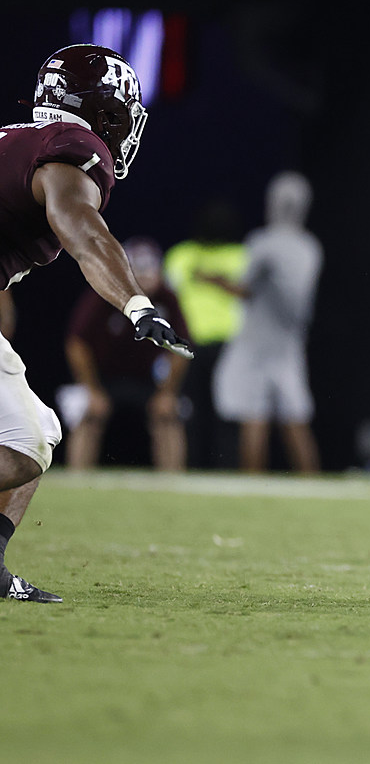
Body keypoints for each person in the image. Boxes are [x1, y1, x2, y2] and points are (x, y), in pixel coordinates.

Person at [0, 44, 192, 603]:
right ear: (105, 115)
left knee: (39, 428)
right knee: (26, 445)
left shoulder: (18, 140)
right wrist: (136, 303)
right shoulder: (74, 148)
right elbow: (80, 226)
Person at [208, 171, 323, 474]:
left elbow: (245, 289)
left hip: (257, 342)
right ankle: (312, 484)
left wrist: (214, 280)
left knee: (254, 414)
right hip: (289, 343)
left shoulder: (263, 243)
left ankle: (252, 483)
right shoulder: (310, 248)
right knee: (294, 417)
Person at [63, 237, 189, 470]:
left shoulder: (166, 297)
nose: (144, 277)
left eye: (149, 270)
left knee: (168, 414)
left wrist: (168, 391)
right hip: (102, 378)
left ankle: (173, 484)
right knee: (88, 413)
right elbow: (77, 344)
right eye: (138, 270)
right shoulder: (103, 293)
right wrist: (91, 389)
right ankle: (77, 479)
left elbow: (180, 348)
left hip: (147, 380)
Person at [162, 200, 247, 470]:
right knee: (191, 410)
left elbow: (250, 293)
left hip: (230, 346)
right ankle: (192, 467)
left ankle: (227, 468)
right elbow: (167, 298)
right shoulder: (182, 255)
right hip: (188, 345)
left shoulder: (241, 255)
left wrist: (214, 279)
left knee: (229, 411)